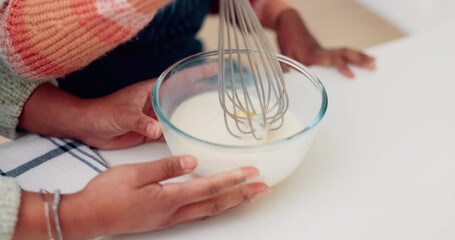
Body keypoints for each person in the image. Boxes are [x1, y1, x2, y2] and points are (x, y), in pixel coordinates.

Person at [0, 0, 375, 239]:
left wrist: (281, 14)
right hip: (72, 119)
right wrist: (75, 116)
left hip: (193, 86)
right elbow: (14, 52)